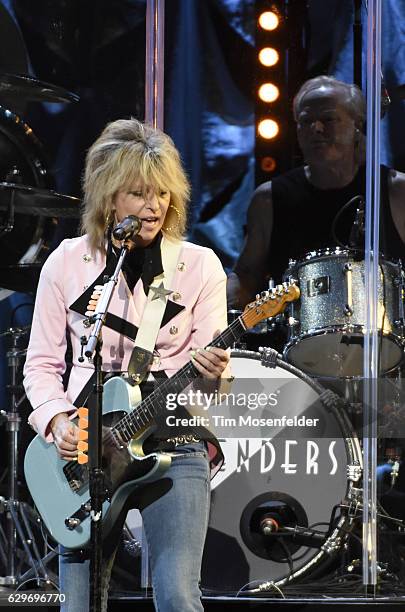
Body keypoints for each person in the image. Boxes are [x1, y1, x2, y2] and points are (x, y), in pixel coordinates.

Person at [23, 118, 230, 612]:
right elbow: (41, 364)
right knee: (78, 604)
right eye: (138, 193)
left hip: (173, 444)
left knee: (178, 595)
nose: (154, 205)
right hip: (86, 454)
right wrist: (56, 420)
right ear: (109, 198)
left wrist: (213, 372)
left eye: (162, 192)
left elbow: (211, 381)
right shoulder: (68, 262)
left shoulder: (199, 266)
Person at [227, 75, 405, 309]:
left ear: (357, 126)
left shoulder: (396, 190)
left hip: (386, 340)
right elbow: (246, 275)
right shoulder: (269, 199)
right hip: (294, 343)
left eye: (328, 119)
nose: (316, 128)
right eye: (306, 121)